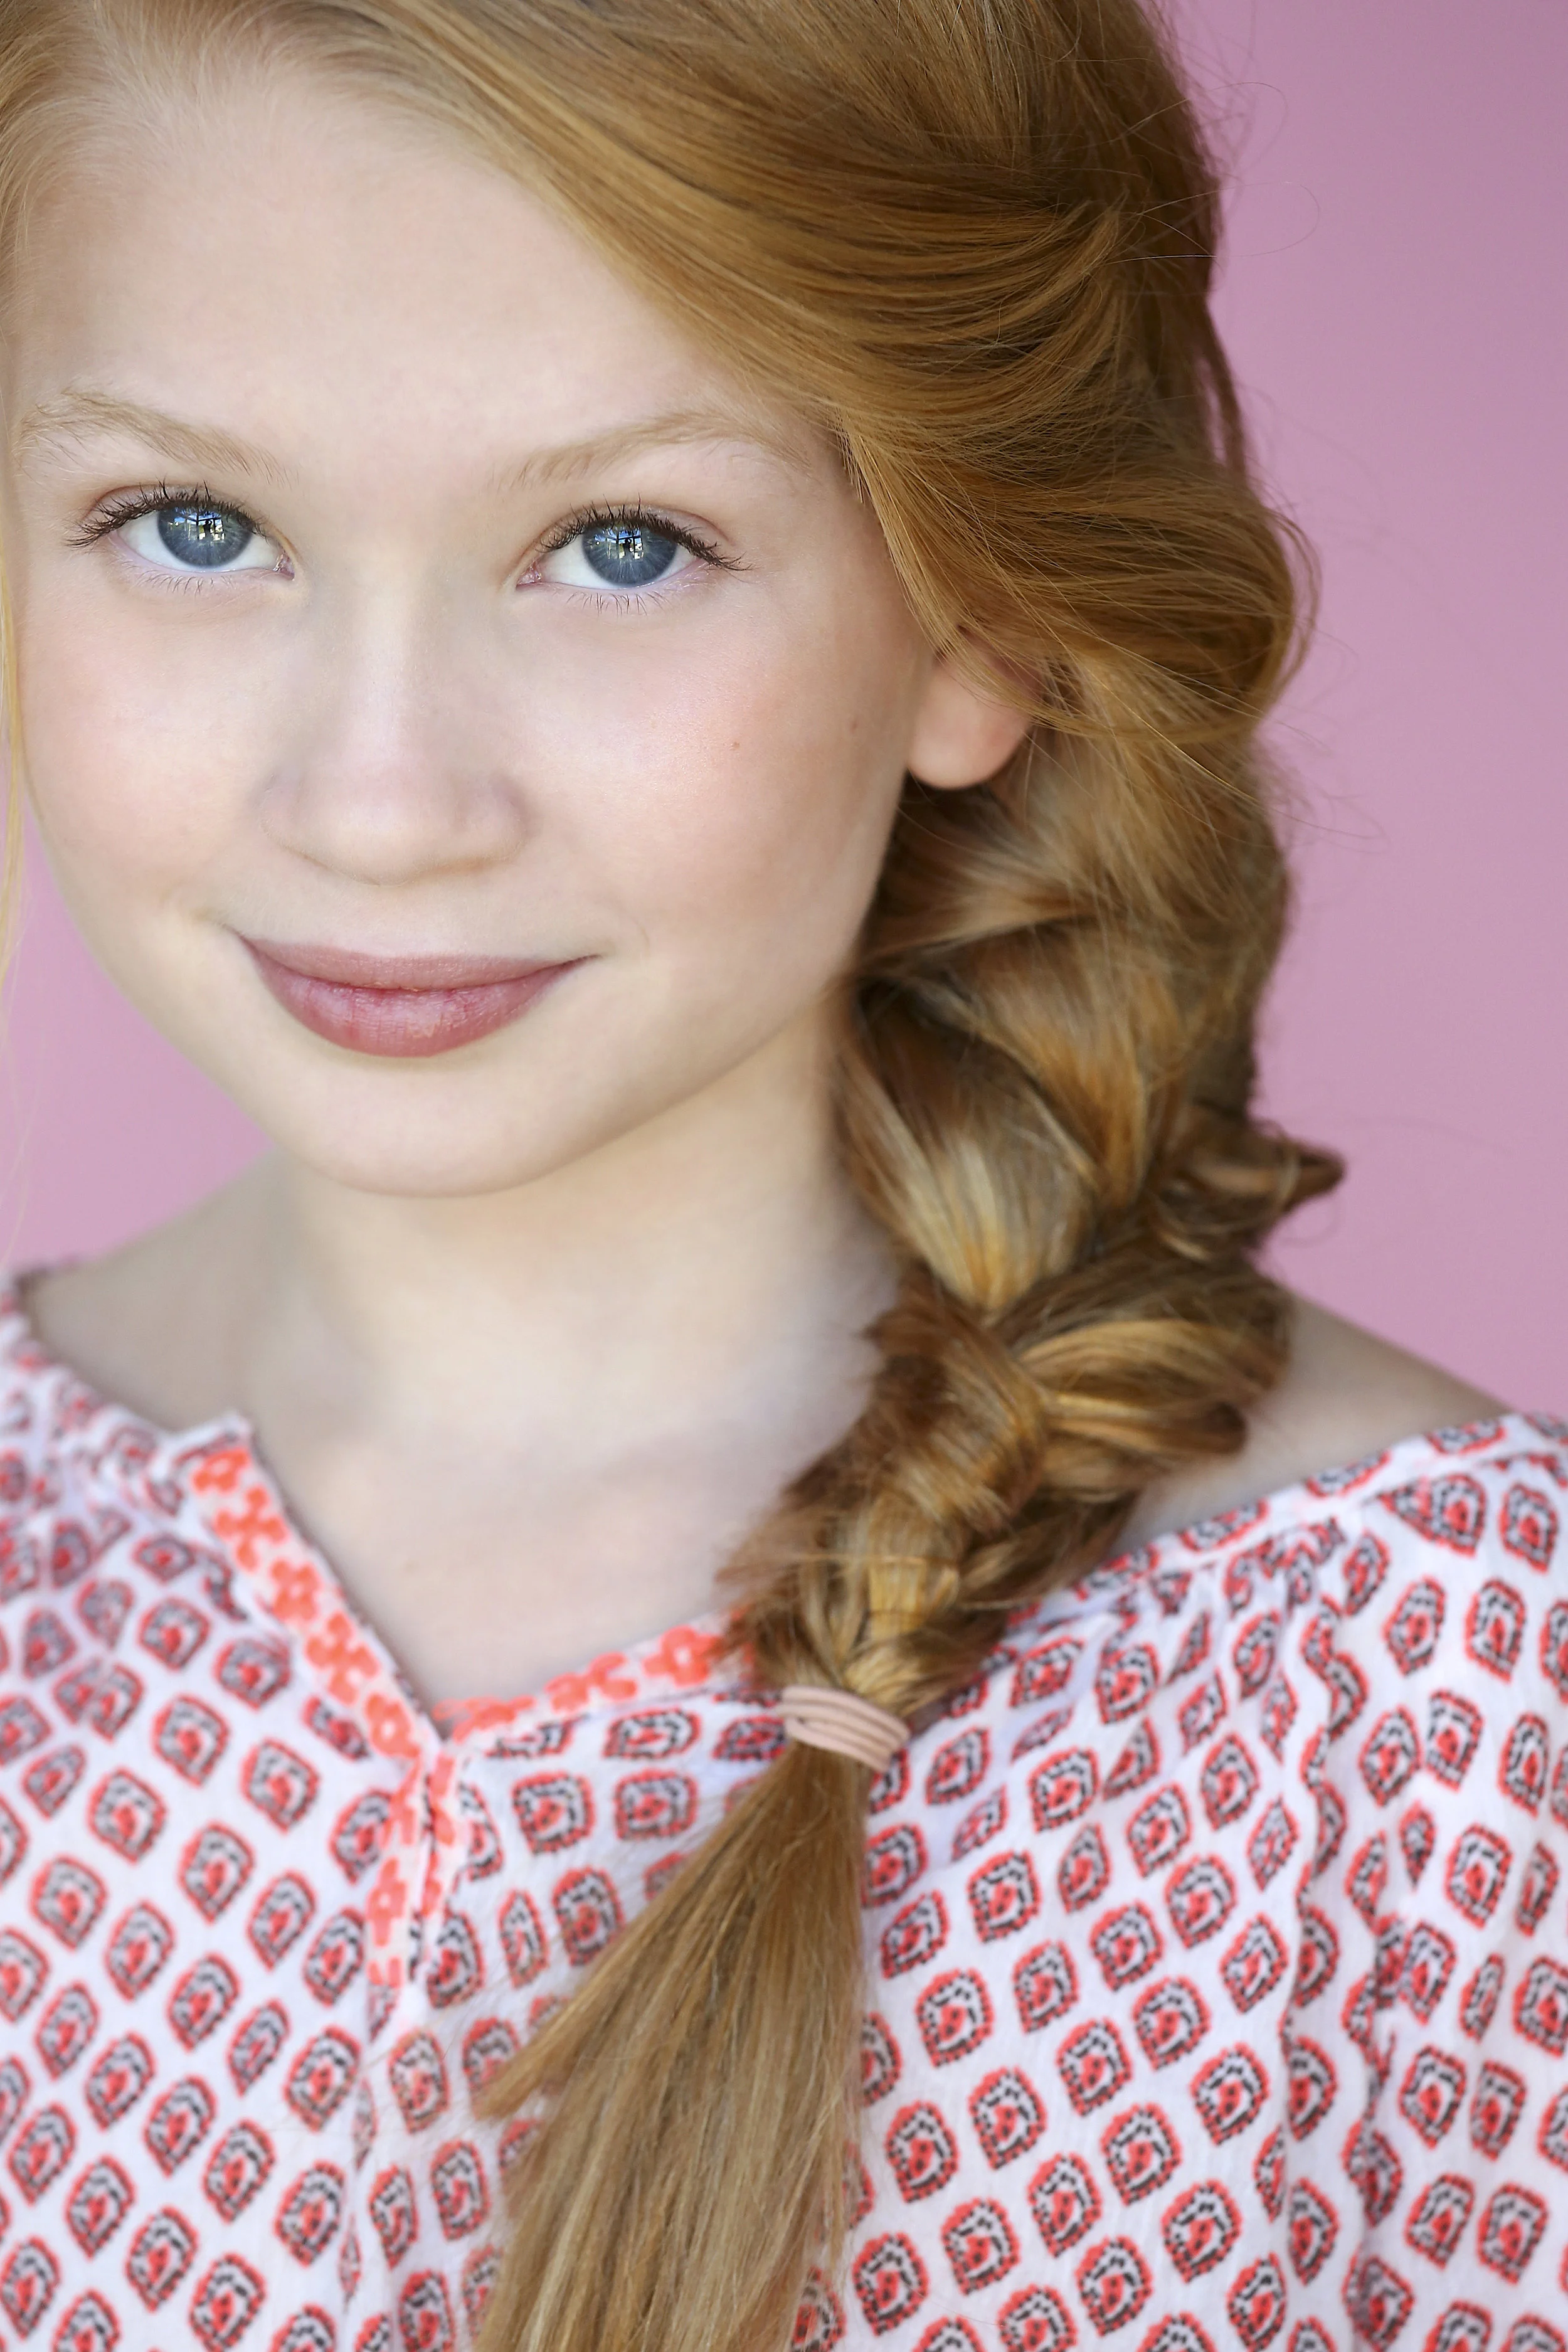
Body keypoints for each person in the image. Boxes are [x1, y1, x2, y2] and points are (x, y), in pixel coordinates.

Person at [0, 3, 1559, 2349]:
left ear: (980, 611)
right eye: (191, 526)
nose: (381, 799)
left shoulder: (1453, 1718)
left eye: (621, 545)